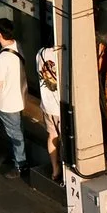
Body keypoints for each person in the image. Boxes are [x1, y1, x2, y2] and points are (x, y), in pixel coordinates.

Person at [0, 22, 29, 176]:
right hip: (20, 97)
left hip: (7, 103)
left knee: (15, 134)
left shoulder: (3, 57)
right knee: (18, 130)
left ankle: (20, 164)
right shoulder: (17, 46)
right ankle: (18, 158)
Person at [36, 42, 64, 180]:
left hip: (47, 105)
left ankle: (55, 169)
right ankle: (66, 168)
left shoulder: (40, 53)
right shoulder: (62, 55)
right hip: (60, 107)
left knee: (52, 136)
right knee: (66, 140)